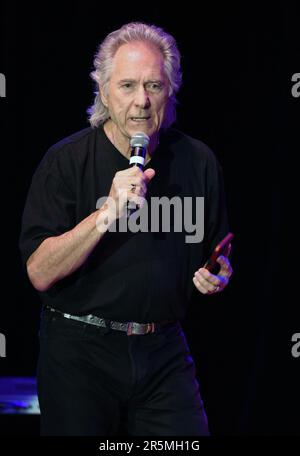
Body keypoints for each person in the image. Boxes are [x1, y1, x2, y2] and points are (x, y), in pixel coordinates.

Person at [19, 22, 233, 436]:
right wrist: (106, 213)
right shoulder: (65, 162)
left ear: (170, 92)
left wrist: (220, 272)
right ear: (103, 91)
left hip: (163, 350)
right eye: (128, 85)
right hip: (80, 350)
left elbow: (218, 252)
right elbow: (39, 272)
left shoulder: (198, 161)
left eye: (154, 85)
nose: (141, 102)